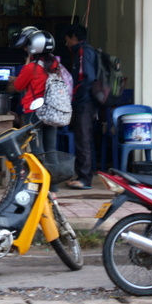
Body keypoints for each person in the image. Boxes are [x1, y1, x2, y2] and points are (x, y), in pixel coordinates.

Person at [8, 29, 59, 154]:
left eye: (28, 45)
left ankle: (40, 173)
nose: (25, 48)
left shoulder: (31, 67)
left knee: (37, 150)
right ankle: (53, 172)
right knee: (51, 149)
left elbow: (18, 87)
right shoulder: (54, 64)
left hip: (33, 113)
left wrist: (14, 80)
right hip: (51, 111)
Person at [64, 24, 98, 190]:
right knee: (85, 138)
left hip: (85, 102)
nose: (66, 43)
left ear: (74, 38)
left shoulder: (83, 52)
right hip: (87, 101)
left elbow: (87, 78)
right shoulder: (83, 51)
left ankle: (85, 179)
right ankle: (84, 174)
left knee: (82, 139)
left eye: (67, 39)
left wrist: (76, 98)